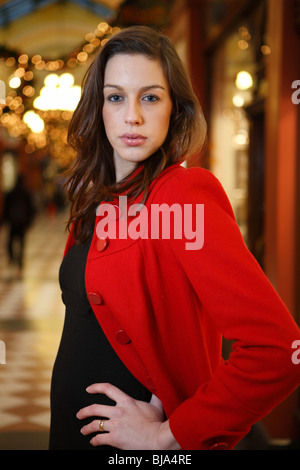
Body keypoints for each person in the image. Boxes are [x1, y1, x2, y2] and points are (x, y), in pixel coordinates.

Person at [49, 26, 300, 450]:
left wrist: (168, 434)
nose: (133, 116)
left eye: (150, 97)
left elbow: (279, 349)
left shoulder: (184, 195)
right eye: (116, 97)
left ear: (175, 109)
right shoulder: (94, 202)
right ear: (98, 107)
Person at [3, 174, 34, 276]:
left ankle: (13, 259)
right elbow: (30, 208)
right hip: (22, 222)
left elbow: (6, 208)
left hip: (13, 222)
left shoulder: (10, 193)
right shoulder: (26, 193)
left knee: (10, 242)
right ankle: (19, 260)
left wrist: (5, 220)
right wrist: (29, 222)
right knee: (21, 242)